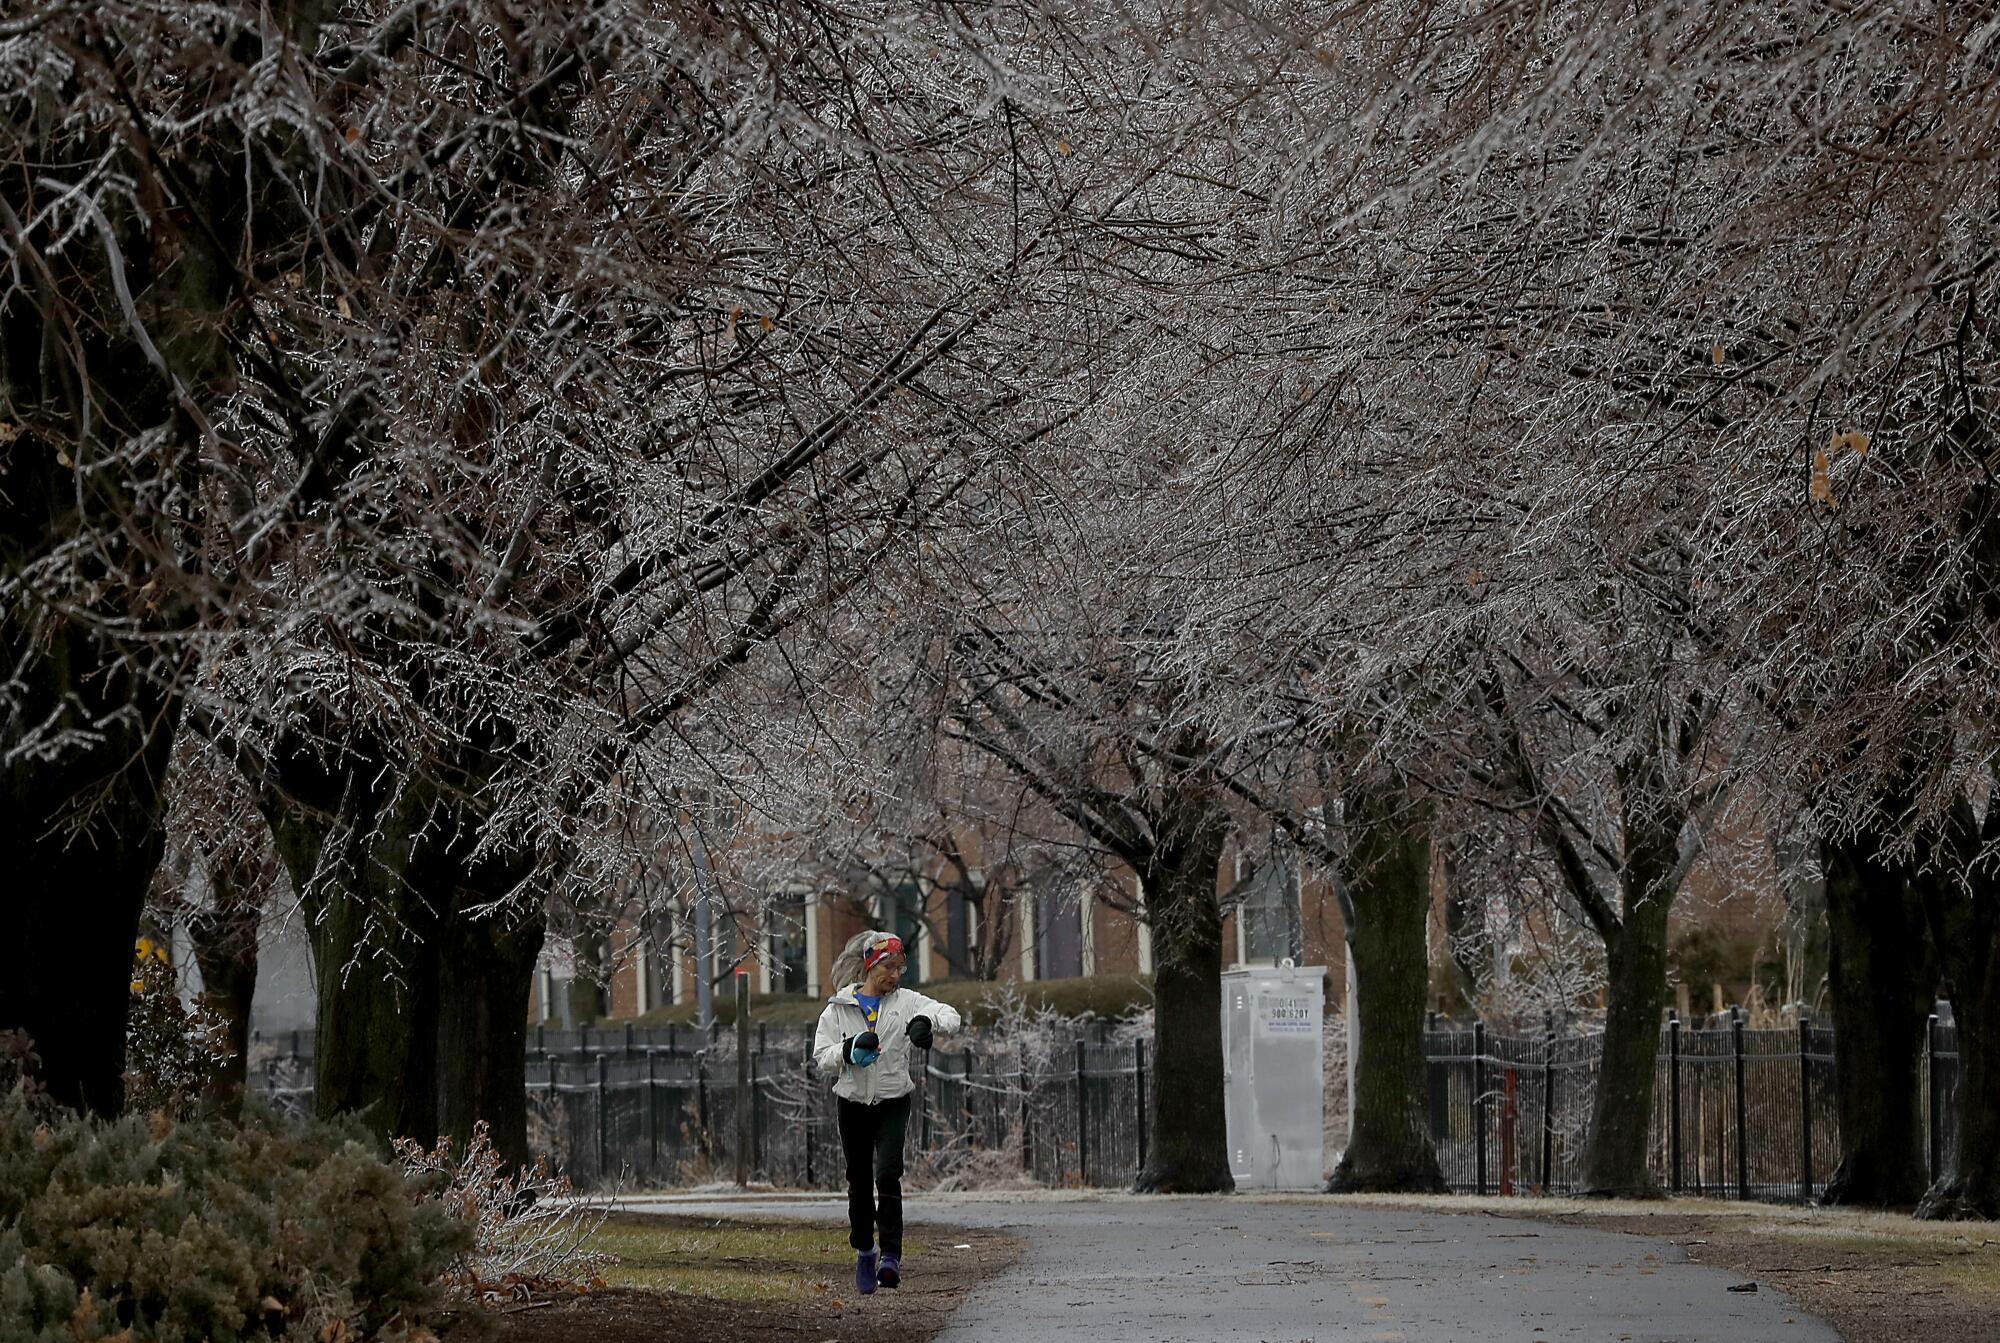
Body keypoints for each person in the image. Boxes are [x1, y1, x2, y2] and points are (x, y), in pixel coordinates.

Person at [812, 929, 961, 1295]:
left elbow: (950, 1015)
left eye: (899, 968)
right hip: (852, 1103)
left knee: (888, 1174)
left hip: (894, 1100)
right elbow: (821, 1056)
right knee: (859, 1180)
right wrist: (848, 1051)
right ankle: (865, 1249)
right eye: (887, 967)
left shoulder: (905, 1001)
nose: (893, 976)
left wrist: (927, 1023)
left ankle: (891, 1257)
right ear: (869, 965)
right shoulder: (839, 1008)